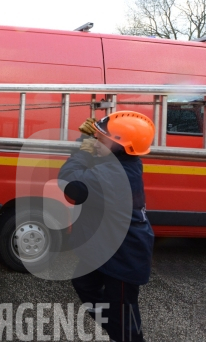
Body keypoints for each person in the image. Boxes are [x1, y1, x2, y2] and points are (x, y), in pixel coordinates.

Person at [58, 111, 155, 342]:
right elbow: (99, 164)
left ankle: (124, 336)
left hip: (124, 258)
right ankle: (117, 332)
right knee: (84, 284)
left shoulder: (116, 175)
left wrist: (81, 150)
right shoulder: (123, 161)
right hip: (107, 248)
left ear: (122, 146)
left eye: (100, 139)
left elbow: (71, 184)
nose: (95, 142)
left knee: (125, 317)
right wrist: (94, 141)